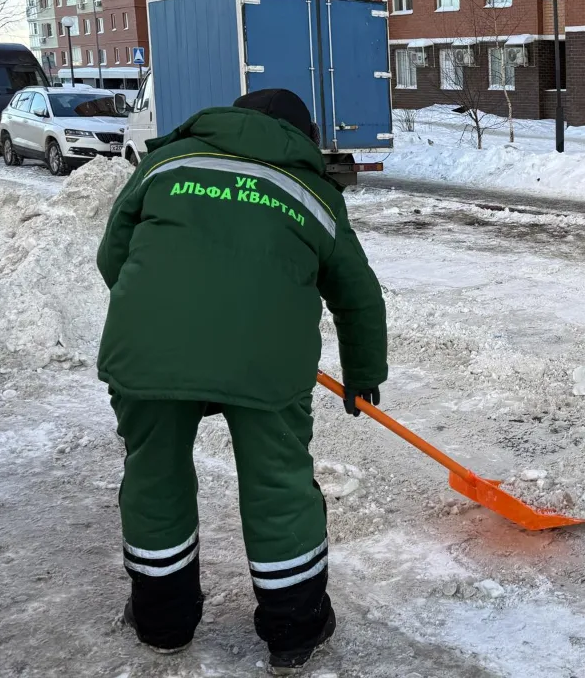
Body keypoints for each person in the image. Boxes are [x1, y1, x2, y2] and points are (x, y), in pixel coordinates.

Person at [96, 88, 388, 674]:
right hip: (268, 360)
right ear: (304, 138)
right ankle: (295, 630)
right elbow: (359, 297)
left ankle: (162, 623)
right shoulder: (315, 193)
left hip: (149, 349)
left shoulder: (168, 163)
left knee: (155, 476)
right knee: (278, 483)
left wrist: (169, 327)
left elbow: (113, 255)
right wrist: (363, 375)